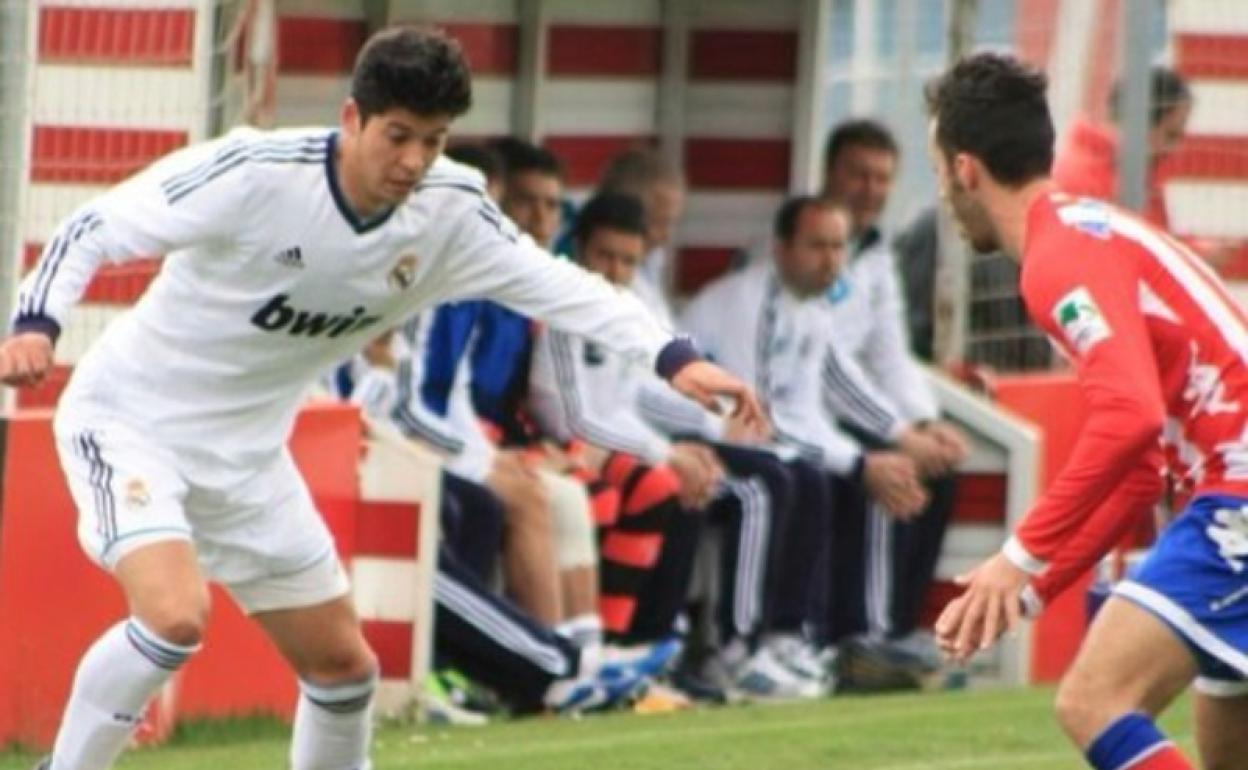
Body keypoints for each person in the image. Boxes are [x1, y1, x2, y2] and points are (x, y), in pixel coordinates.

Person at [4, 26, 760, 770]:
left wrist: (675, 358)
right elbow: (96, 226)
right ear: (351, 118)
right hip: (132, 422)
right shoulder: (258, 172)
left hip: (247, 459)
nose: (413, 161)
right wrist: (36, 323)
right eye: (398, 136)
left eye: (433, 141)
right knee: (175, 618)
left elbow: (564, 288)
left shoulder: (451, 212)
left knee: (344, 671)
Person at [928, 52, 1248, 770]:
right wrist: (1029, 590)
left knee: (1092, 703)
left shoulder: (1058, 258)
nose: (942, 191)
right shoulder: (1085, 230)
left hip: (1236, 490)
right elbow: (1139, 472)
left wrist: (1017, 556)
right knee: (1226, 742)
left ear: (966, 170)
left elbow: (1130, 417)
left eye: (938, 169)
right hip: (1222, 487)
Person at [681, 196, 930, 686]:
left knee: (823, 477)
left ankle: (795, 637)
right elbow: (755, 420)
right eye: (817, 246)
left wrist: (867, 456)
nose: (831, 260)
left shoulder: (813, 308)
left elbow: (806, 413)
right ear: (781, 249)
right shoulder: (748, 303)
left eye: (838, 247)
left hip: (747, 435)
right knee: (781, 481)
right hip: (694, 429)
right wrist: (857, 464)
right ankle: (737, 648)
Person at [818, 120, 969, 680]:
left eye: (881, 178)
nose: (869, 189)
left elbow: (890, 354)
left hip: (854, 413)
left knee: (941, 468)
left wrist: (926, 421)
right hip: (808, 414)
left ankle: (900, 624)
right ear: (829, 173)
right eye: (858, 174)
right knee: (895, 467)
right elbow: (825, 365)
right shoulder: (810, 241)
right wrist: (899, 434)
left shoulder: (876, 254)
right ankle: (869, 633)